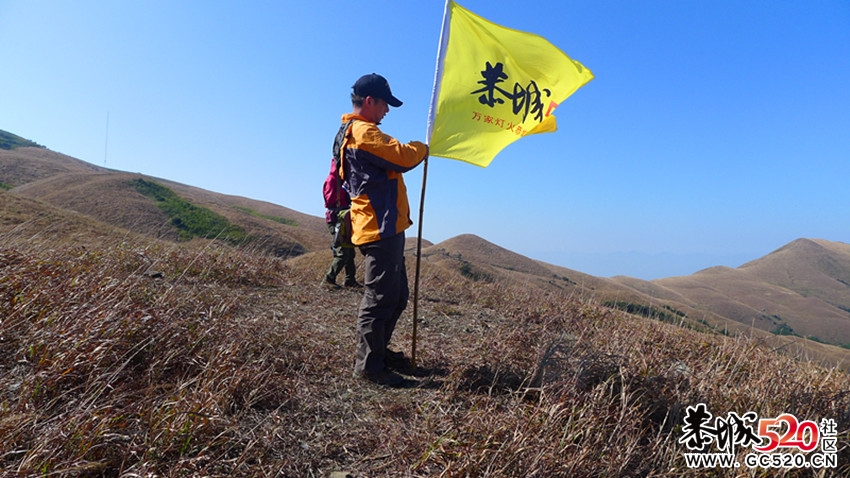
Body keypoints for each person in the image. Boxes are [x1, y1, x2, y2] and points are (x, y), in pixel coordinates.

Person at [336, 73, 429, 387]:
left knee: (397, 295)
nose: (387, 110)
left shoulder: (353, 131)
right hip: (379, 227)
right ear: (369, 101)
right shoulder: (362, 132)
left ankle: (379, 353)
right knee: (379, 298)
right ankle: (370, 367)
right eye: (385, 104)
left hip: (385, 225)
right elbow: (402, 156)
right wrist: (424, 147)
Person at [321, 158, 360, 289]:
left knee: (349, 250)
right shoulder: (333, 181)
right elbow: (332, 199)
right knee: (343, 251)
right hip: (337, 218)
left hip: (343, 217)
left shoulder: (340, 181)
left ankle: (350, 280)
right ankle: (328, 279)